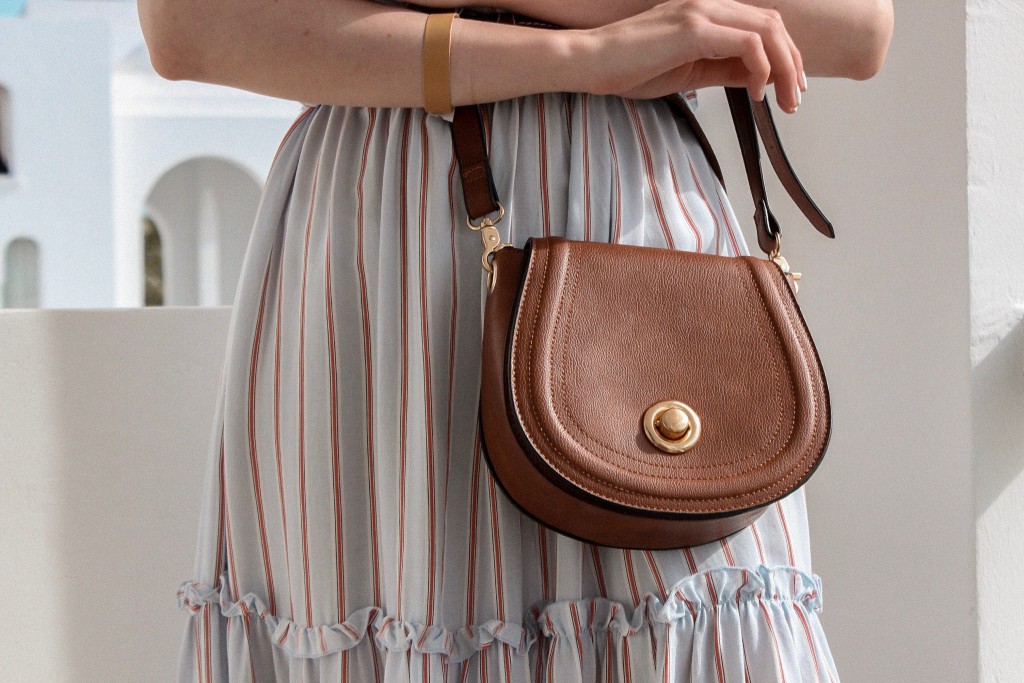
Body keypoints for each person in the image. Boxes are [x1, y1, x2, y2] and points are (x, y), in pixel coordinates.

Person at [139, 0, 893, 680]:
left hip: (625, 236)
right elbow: (189, 28)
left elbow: (851, 25)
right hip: (382, 249)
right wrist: (587, 52)